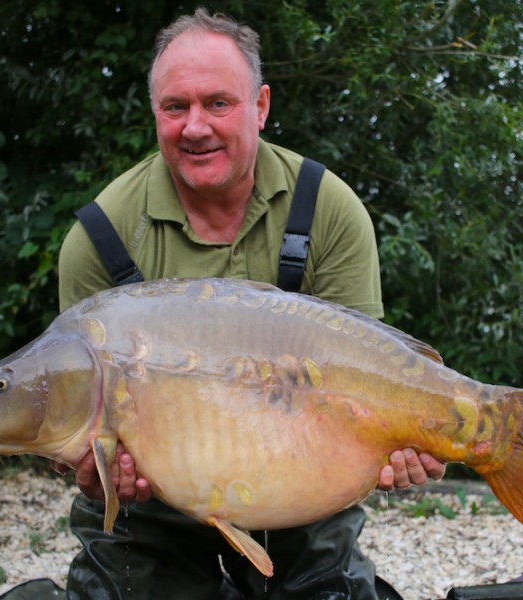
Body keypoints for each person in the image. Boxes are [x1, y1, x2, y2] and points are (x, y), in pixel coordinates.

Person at [55, 8, 445, 599]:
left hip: (300, 482)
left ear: (260, 106)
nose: (195, 127)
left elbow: (371, 375)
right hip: (153, 506)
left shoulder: (328, 209)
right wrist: (87, 469)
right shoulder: (100, 236)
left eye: (218, 103)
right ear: (155, 114)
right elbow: (66, 420)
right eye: (175, 107)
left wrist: (411, 439)